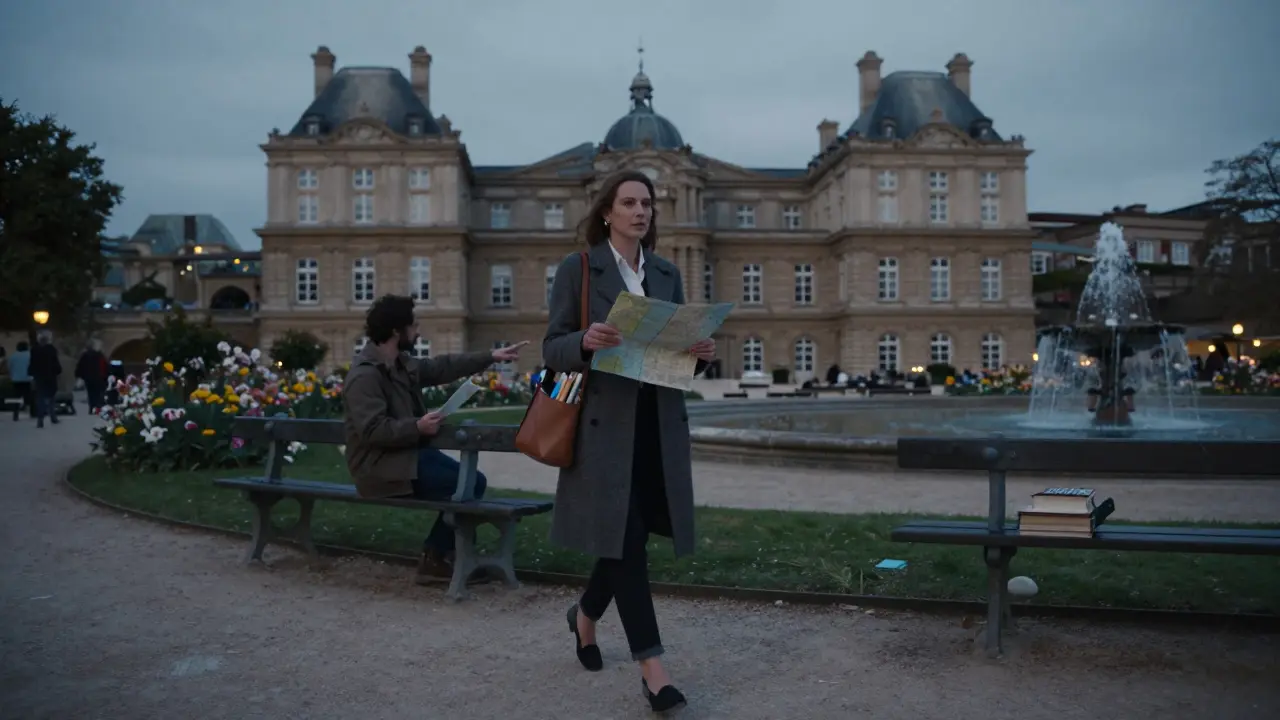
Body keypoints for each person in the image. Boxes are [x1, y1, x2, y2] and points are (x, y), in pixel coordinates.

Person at [543, 170, 715, 714]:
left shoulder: (666, 273)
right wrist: (584, 342)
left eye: (647, 203)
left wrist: (699, 355)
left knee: (627, 537)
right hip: (600, 430)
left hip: (655, 427)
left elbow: (676, 360)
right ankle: (654, 670)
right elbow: (552, 348)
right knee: (626, 540)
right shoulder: (579, 269)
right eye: (630, 202)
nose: (641, 211)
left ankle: (586, 616)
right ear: (607, 212)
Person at [341, 294, 528, 584]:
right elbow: (372, 430)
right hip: (379, 466)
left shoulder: (400, 364)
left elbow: (443, 366)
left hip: (403, 458)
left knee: (467, 482)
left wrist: (490, 357)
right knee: (468, 483)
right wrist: (416, 427)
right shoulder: (365, 376)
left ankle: (447, 556)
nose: (417, 332)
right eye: (413, 326)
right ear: (396, 331)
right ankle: (438, 556)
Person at [30, 331, 62, 428]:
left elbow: (32, 363)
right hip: (51, 376)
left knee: (40, 397)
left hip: (39, 376)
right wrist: (57, 371)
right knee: (51, 397)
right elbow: (55, 363)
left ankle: (40, 418)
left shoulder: (34, 350)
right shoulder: (51, 349)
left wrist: (32, 373)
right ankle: (53, 416)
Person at [75, 339, 108, 412]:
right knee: (98, 393)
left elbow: (80, 366)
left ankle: (92, 407)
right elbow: (105, 366)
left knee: (90, 393)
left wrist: (79, 375)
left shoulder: (85, 355)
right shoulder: (100, 355)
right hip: (99, 377)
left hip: (88, 377)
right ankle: (97, 406)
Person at [6, 342, 33, 421]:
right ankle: (30, 411)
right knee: (28, 396)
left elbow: (9, 367)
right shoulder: (29, 355)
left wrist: (11, 375)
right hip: (27, 378)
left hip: (16, 379)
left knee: (16, 397)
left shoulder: (13, 356)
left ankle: (15, 413)